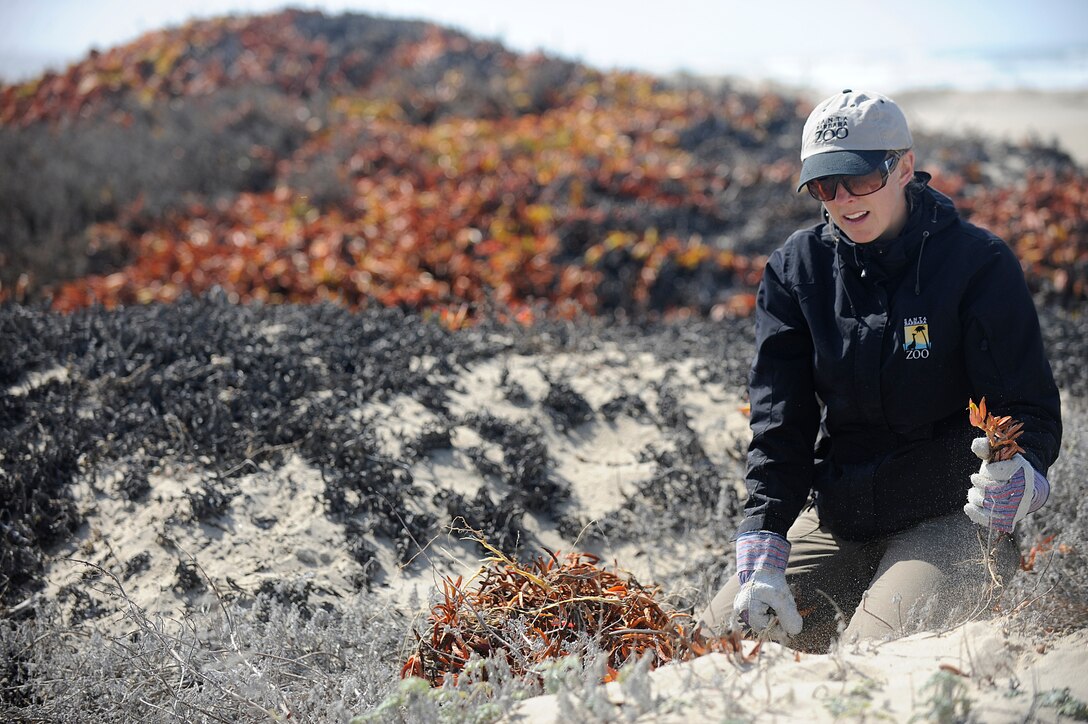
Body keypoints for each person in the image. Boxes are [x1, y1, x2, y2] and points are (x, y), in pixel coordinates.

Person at [698, 89, 1062, 652]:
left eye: (861, 179)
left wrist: (1024, 478)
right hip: (840, 515)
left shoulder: (979, 265)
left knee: (870, 657)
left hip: (949, 518)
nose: (844, 199)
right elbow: (780, 426)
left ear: (904, 168)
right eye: (825, 185)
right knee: (718, 642)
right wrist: (764, 540)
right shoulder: (797, 270)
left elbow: (1027, 411)